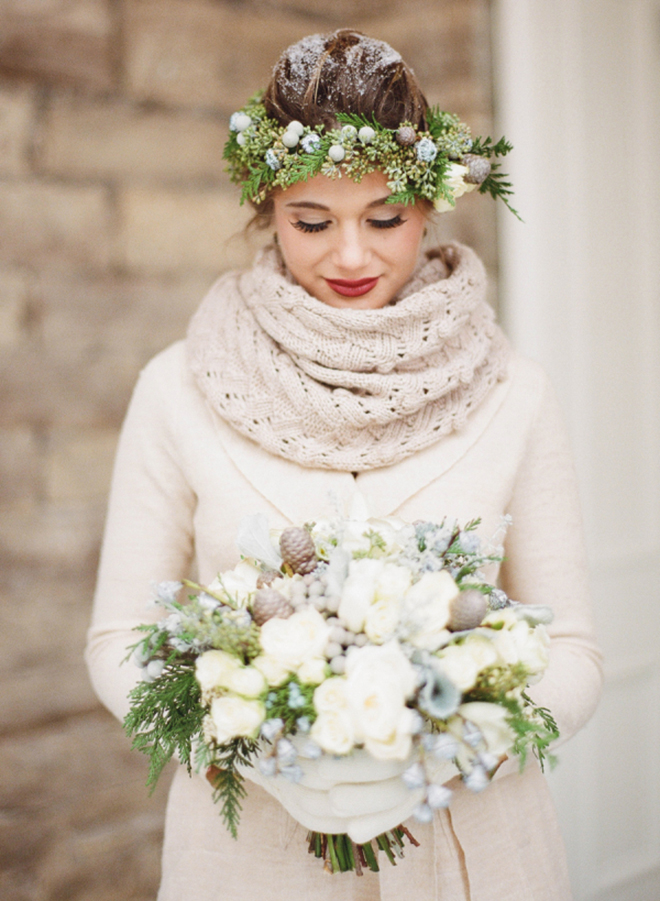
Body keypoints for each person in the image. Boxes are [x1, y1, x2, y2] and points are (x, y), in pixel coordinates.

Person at [86, 29, 602, 901]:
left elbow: (576, 652)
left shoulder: (518, 392)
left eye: (385, 219)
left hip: (476, 856)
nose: (352, 256)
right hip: (248, 862)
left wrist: (452, 745)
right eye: (312, 222)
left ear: (431, 208)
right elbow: (118, 640)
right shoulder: (177, 388)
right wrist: (255, 747)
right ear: (266, 209)